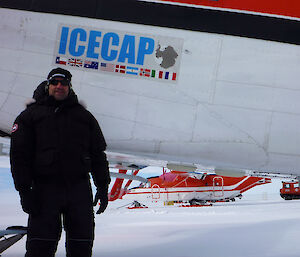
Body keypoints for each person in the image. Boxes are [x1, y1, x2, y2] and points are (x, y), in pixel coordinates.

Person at [10, 67, 111, 257]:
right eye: (55, 82)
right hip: (44, 190)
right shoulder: (30, 117)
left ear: (69, 87)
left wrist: (103, 186)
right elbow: (19, 156)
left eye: (63, 83)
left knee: (81, 246)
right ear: (48, 85)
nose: (59, 86)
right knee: (40, 247)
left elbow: (98, 154)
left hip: (78, 189)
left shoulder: (84, 117)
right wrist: (24, 191)